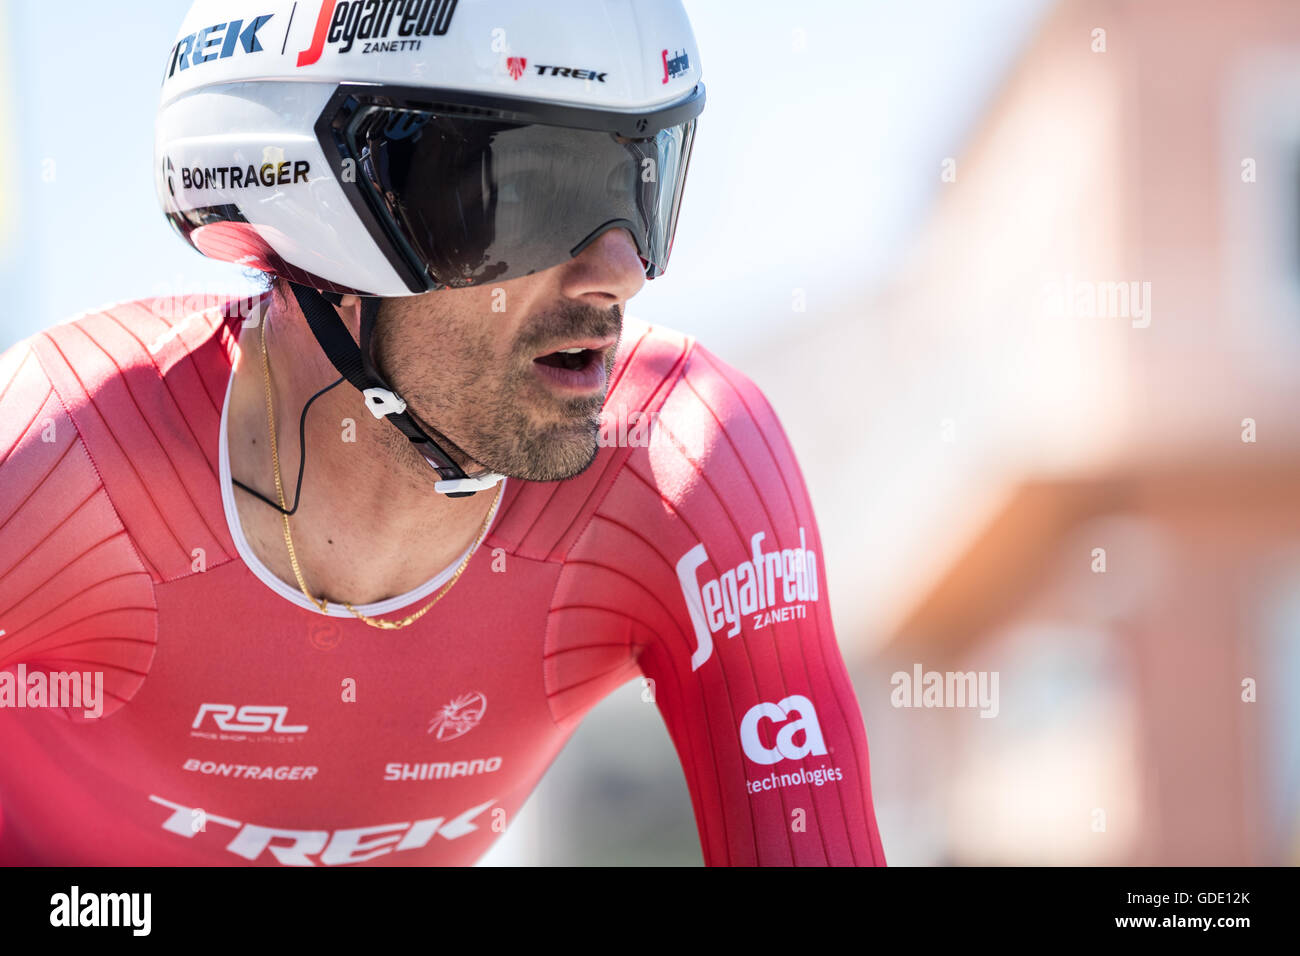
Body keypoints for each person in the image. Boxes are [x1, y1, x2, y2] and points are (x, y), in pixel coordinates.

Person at [0, 0, 887, 866]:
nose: (624, 272)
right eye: (534, 189)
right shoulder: (55, 461)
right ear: (331, 212)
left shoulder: (690, 471)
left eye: (643, 183)